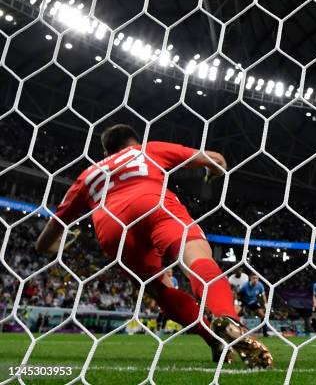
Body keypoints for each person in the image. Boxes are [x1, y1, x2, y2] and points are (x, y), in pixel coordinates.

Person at [35, 124, 272, 368]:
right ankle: (229, 320)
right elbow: (217, 159)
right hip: (153, 204)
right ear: (134, 142)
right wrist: (212, 173)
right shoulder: (147, 150)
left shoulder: (87, 175)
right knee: (196, 258)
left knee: (159, 289)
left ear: (107, 153)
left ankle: (213, 339)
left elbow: (45, 241)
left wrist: (56, 247)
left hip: (112, 228)